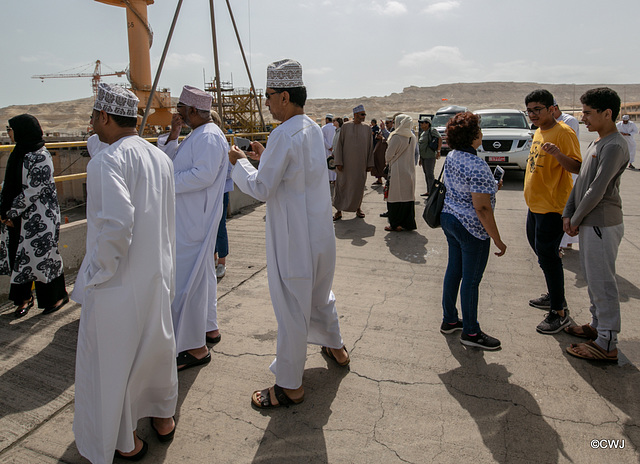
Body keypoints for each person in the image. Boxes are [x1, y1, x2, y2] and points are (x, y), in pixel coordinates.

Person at [228, 59, 348, 409]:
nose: (264, 103)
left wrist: (240, 162)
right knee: (319, 296)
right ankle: (335, 348)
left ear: (283, 96)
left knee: (292, 310)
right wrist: (267, 157)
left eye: (267, 96)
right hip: (320, 237)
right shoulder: (310, 128)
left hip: (294, 241)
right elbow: (297, 173)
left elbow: (263, 187)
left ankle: (289, 386)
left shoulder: (283, 133)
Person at [72, 83, 177, 463]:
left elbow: (116, 224)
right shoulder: (159, 158)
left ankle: (125, 442)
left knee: (114, 366)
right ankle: (163, 417)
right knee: (156, 349)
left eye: (92, 116)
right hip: (157, 275)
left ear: (103, 116)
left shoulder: (107, 161)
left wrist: (97, 275)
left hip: (118, 284)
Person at [158, 85, 228, 370]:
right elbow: (172, 160)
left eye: (182, 110)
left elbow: (204, 175)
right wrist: (174, 135)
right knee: (203, 277)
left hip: (194, 220)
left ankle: (193, 347)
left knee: (187, 283)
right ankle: (209, 328)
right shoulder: (198, 133)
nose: (179, 115)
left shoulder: (209, 136)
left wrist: (167, 183)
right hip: (190, 218)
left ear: (196, 111)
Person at [563, 88, 629, 362]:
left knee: (603, 283)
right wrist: (569, 213)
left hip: (601, 222)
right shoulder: (598, 142)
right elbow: (582, 183)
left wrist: (575, 220)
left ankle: (607, 342)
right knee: (593, 279)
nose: (584, 119)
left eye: (588, 113)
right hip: (588, 221)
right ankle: (596, 326)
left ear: (607, 113)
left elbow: (597, 190)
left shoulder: (614, 145)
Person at [439, 112, 507, 350]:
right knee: (470, 281)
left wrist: (490, 186)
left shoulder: (453, 155)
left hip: (450, 218)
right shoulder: (476, 164)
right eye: (478, 130)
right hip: (471, 227)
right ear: (473, 136)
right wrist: (497, 239)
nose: (481, 134)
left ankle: (449, 319)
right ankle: (471, 331)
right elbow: (482, 208)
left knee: (454, 271)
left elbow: (466, 188)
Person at [524, 89, 581, 335]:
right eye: (530, 110)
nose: (534, 114)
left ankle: (559, 311)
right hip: (535, 205)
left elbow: (577, 166)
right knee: (542, 254)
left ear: (552, 109)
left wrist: (558, 154)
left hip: (552, 207)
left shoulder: (563, 133)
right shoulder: (538, 131)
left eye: (538, 109)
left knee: (548, 256)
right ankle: (554, 294)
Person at [0, 114, 68, 319]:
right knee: (17, 256)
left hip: (39, 218)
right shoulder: (18, 152)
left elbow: (33, 190)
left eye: (10, 128)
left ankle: (56, 297)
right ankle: (23, 299)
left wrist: (9, 211)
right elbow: (10, 184)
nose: (8, 132)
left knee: (43, 258)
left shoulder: (41, 155)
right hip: (17, 217)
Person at [332, 104, 374, 221]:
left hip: (360, 165)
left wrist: (370, 163)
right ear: (355, 115)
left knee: (358, 187)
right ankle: (338, 211)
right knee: (342, 186)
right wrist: (338, 161)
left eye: (364, 114)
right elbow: (339, 145)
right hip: (345, 165)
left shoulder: (367, 128)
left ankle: (358, 208)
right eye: (362, 114)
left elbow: (370, 147)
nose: (364, 116)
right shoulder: (345, 127)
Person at [552, 101, 580, 251]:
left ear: (554, 108)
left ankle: (563, 243)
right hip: (557, 168)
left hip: (568, 168)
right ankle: (565, 242)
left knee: (566, 207)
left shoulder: (569, 122)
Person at [384, 114, 417, 232]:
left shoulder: (396, 137)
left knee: (395, 197)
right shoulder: (412, 137)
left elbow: (388, 155)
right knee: (408, 197)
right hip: (409, 170)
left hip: (397, 171)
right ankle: (407, 223)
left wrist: (389, 161)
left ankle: (395, 224)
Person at [212, 110, 232, 280]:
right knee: (207, 227)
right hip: (207, 192)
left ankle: (221, 262)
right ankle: (212, 260)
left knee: (219, 226)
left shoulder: (222, 143)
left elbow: (229, 171)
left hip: (220, 191)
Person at [417, 116, 442, 197]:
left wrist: (438, 151)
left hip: (429, 156)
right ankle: (428, 191)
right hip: (424, 157)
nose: (421, 124)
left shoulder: (432, 131)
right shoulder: (423, 133)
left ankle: (432, 192)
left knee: (430, 175)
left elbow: (439, 138)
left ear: (428, 124)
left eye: (423, 123)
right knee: (426, 174)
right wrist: (420, 158)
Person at [322, 113, 337, 183]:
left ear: (327, 119)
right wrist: (333, 147)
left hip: (327, 149)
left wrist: (329, 147)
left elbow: (323, 139)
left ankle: (329, 180)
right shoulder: (335, 127)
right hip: (335, 149)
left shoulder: (323, 128)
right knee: (334, 164)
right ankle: (334, 179)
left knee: (328, 164)